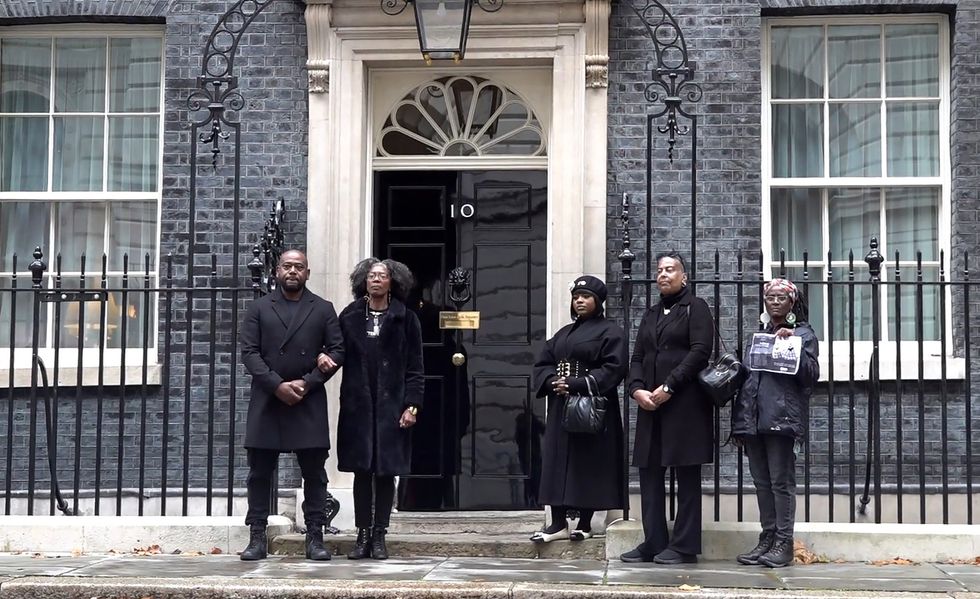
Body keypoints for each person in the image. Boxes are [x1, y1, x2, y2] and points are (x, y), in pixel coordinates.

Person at [239, 249, 345, 561]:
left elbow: (338, 350)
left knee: (314, 472)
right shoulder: (259, 308)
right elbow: (249, 353)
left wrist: (307, 382)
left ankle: (315, 536)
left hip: (307, 398)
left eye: (299, 267)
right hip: (268, 398)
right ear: (277, 271)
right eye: (287, 266)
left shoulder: (323, 309)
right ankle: (257, 536)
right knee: (259, 472)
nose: (293, 271)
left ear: (308, 273)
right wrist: (276, 385)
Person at [620, 251, 713, 565]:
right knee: (649, 474)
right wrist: (636, 390)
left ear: (683, 276)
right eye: (659, 270)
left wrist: (669, 386)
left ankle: (685, 547)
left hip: (685, 406)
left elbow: (701, 352)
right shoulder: (650, 314)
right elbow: (636, 358)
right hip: (650, 407)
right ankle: (654, 541)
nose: (663, 274)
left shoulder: (696, 308)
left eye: (670, 269)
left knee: (686, 476)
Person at [331, 258, 424, 560]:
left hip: (392, 407)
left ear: (392, 282)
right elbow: (335, 351)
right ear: (363, 281)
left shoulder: (406, 319)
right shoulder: (350, 316)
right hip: (358, 407)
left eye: (382, 276)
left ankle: (380, 535)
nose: (376, 280)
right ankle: (362, 535)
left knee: (385, 473)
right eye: (371, 276)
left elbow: (415, 368)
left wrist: (412, 406)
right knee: (362, 472)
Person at [530, 275, 628, 542]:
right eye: (576, 297)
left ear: (597, 301)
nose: (580, 301)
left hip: (591, 407)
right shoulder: (562, 334)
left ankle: (585, 524)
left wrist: (576, 384)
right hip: (562, 407)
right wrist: (552, 382)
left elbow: (614, 368)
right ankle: (558, 523)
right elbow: (543, 362)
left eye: (585, 297)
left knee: (589, 463)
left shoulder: (611, 332)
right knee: (556, 462)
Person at [731, 278, 819, 568]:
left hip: (782, 419)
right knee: (761, 483)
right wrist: (742, 424)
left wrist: (791, 343)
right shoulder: (759, 334)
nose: (775, 301)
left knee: (781, 483)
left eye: (781, 297)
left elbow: (810, 376)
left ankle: (784, 543)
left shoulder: (803, 334)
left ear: (792, 302)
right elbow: (749, 381)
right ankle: (767, 539)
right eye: (770, 297)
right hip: (754, 421)